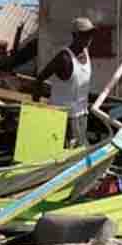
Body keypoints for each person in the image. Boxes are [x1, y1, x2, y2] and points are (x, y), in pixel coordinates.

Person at [36, 17, 95, 147]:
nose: (89, 37)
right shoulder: (64, 58)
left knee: (81, 150)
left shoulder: (85, 53)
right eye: (85, 34)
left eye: (91, 34)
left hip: (82, 114)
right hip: (64, 117)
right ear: (75, 35)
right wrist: (37, 108)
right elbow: (40, 79)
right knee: (67, 152)